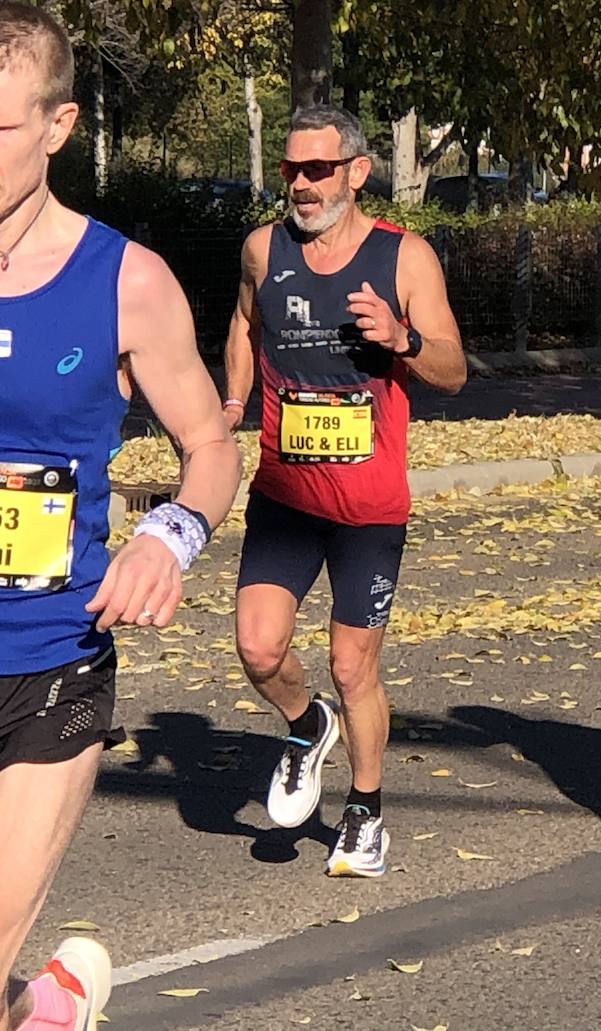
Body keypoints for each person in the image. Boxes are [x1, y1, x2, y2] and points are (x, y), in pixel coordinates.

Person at [0, 4, 241, 1027]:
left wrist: (166, 535)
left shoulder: (127, 282)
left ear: (58, 127)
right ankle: (46, 1007)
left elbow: (212, 448)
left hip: (49, 658)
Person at [223, 104, 466, 878]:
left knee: (353, 665)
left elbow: (455, 371)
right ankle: (304, 726)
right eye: (290, 169)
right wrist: (231, 407)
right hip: (286, 494)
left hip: (368, 509)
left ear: (357, 173)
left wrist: (404, 341)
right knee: (259, 646)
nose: (300, 184)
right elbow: (242, 325)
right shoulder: (263, 250)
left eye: (317, 169)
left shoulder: (405, 258)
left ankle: (364, 810)